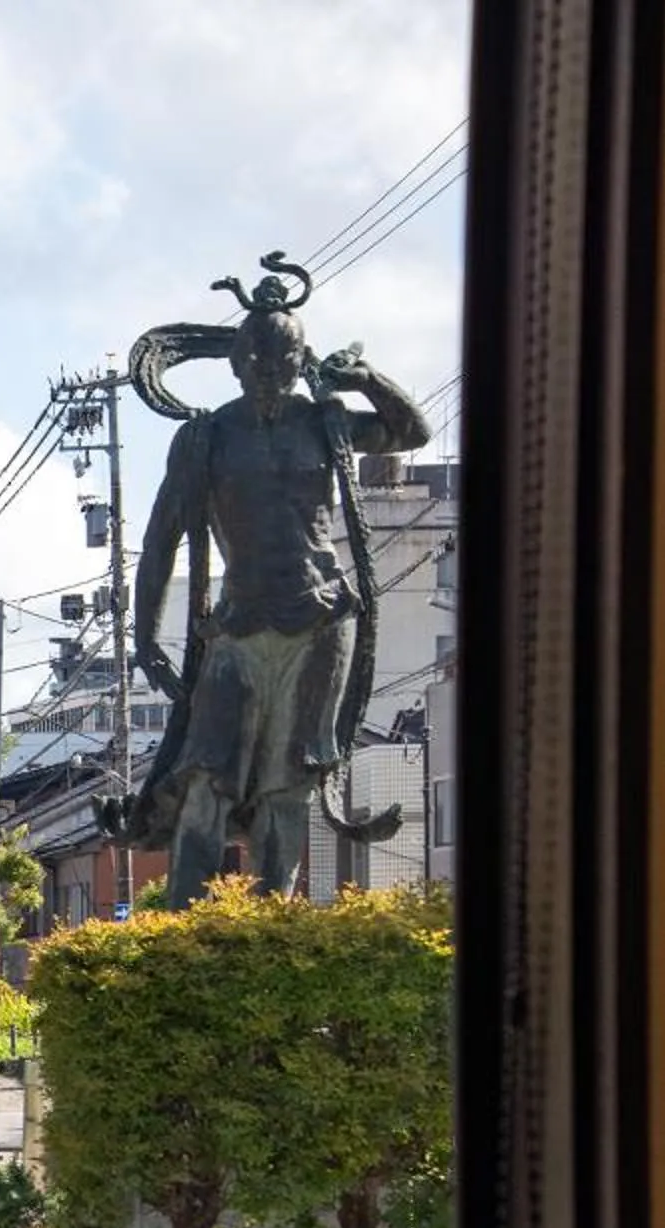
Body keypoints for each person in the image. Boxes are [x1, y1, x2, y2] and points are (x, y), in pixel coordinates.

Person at [128, 262, 431, 906]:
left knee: (289, 779)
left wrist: (367, 380)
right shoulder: (206, 438)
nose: (270, 370)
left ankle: (269, 918)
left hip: (320, 615)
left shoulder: (327, 424)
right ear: (237, 363)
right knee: (206, 771)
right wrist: (145, 635)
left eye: (284, 358)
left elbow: (412, 431)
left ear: (300, 360)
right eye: (258, 359)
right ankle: (186, 921)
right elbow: (162, 540)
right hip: (237, 622)